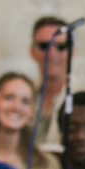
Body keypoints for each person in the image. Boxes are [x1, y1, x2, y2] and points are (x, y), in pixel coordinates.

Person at [0, 71, 58, 169]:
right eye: (9, 98)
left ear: (32, 111)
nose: (16, 107)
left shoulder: (47, 165)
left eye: (25, 101)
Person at [28, 16, 70, 150]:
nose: (51, 54)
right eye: (44, 46)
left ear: (72, 52)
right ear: (32, 52)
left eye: (61, 47)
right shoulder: (20, 94)